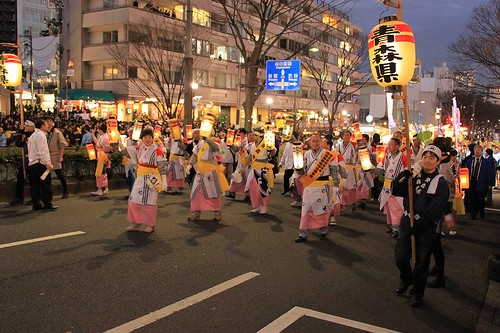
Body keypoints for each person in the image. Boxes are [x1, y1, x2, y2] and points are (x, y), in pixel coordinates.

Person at [393, 145, 450, 307]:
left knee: (421, 261)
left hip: (425, 227)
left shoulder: (440, 182)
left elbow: (435, 209)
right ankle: (406, 278)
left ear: (438, 161)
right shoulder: (414, 176)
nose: (427, 160)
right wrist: (402, 177)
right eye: (425, 157)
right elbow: (397, 191)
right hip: (407, 222)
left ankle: (418, 292)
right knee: (401, 257)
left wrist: (419, 225)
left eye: (432, 158)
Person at [295, 135, 343, 242]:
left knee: (323, 210)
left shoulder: (328, 155)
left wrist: (336, 184)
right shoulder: (306, 154)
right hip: (310, 185)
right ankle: (303, 234)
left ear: (321, 142)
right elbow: (303, 170)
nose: (315, 143)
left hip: (323, 184)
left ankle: (323, 231)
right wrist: (298, 168)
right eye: (313, 141)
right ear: (310, 143)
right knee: (306, 211)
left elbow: (334, 170)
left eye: (317, 141)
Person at [122, 128, 167, 233]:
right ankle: (135, 222)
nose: (147, 139)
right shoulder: (139, 148)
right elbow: (125, 152)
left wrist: (164, 180)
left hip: (152, 177)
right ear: (142, 138)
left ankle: (150, 225)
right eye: (145, 137)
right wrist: (118, 142)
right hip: (141, 176)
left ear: (152, 138)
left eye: (149, 137)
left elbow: (162, 166)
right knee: (134, 199)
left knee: (150, 201)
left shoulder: (157, 150)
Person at [188, 131, 228, 221]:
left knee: (214, 193)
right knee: (196, 193)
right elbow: (195, 155)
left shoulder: (215, 142)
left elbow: (217, 151)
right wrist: (190, 165)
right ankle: (196, 213)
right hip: (200, 170)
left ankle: (217, 213)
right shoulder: (200, 143)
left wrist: (208, 140)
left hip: (211, 171)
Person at [373, 138, 408, 238]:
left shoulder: (404, 158)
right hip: (387, 184)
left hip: (397, 185)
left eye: (391, 144)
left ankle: (397, 228)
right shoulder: (386, 157)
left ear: (397, 146)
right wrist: (371, 169)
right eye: (388, 144)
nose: (389, 147)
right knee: (388, 207)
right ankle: (392, 225)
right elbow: (380, 169)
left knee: (396, 207)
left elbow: (406, 172)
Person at [241, 128, 276, 214]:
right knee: (254, 189)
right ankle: (257, 205)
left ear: (259, 136)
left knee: (263, 188)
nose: (253, 136)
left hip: (263, 168)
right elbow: (250, 156)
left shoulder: (266, 143)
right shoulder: (253, 145)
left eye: (254, 135)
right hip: (254, 168)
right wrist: (244, 167)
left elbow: (273, 152)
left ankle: (264, 206)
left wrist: (272, 149)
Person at [27, 119, 57, 211]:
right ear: (42, 126)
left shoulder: (32, 136)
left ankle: (36, 203)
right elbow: (43, 151)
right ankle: (47, 202)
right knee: (45, 184)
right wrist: (47, 163)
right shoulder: (41, 136)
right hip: (40, 163)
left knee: (35, 185)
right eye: (46, 125)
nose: (47, 126)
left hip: (32, 163)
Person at [465, 145, 496, 219]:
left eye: (479, 150)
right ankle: (473, 214)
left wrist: (489, 183)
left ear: (482, 151)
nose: (477, 151)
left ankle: (481, 211)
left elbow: (489, 172)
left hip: (481, 183)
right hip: (471, 182)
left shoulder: (486, 162)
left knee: (480, 199)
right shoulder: (470, 161)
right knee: (472, 199)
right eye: (476, 150)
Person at [11, 120, 35, 205]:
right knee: (20, 179)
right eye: (25, 126)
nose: (26, 128)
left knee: (33, 180)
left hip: (32, 160)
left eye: (27, 126)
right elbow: (19, 144)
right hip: (25, 160)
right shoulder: (24, 136)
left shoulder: (34, 135)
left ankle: (34, 198)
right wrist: (20, 135)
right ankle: (19, 197)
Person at [45, 117, 69, 199]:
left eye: (50, 121)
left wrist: (61, 156)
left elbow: (62, 145)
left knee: (60, 175)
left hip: (54, 155)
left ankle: (65, 191)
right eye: (47, 121)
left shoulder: (57, 132)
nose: (49, 123)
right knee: (46, 176)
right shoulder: (43, 132)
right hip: (45, 156)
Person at [335, 130, 358, 213]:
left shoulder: (354, 145)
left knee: (351, 188)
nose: (347, 137)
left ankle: (354, 203)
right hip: (342, 168)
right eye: (345, 135)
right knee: (342, 188)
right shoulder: (338, 146)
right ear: (342, 136)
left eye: (348, 135)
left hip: (351, 169)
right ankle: (342, 205)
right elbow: (336, 156)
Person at [227, 129, 252, 200]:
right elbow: (237, 149)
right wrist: (231, 144)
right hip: (241, 162)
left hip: (248, 163)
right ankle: (232, 192)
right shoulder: (242, 140)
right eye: (250, 135)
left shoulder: (253, 144)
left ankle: (249, 195)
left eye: (252, 135)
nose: (251, 137)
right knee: (235, 177)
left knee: (247, 179)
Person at [91, 123, 111, 196]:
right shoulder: (102, 136)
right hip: (101, 156)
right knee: (103, 173)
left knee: (99, 173)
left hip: (103, 156)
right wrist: (93, 134)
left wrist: (98, 148)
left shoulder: (105, 137)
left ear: (100, 130)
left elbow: (107, 149)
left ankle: (100, 189)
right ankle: (105, 188)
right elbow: (97, 142)